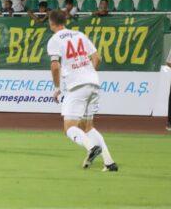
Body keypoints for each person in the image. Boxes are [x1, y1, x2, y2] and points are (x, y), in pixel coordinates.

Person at [47, 10, 118, 172]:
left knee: (69, 127)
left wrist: (57, 88)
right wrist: (88, 74)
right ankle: (109, 162)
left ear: (51, 23)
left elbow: (55, 65)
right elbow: (97, 58)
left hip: (76, 86)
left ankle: (91, 147)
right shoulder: (79, 34)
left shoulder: (54, 40)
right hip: (93, 82)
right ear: (65, 21)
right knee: (88, 127)